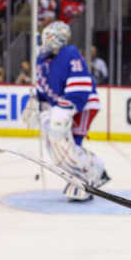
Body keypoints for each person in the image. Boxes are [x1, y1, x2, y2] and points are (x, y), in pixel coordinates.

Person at [22, 21, 110, 201]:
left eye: (46, 36)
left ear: (54, 38)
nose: (42, 40)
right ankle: (83, 176)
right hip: (63, 107)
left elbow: (81, 87)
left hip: (83, 106)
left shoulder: (70, 54)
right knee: (59, 150)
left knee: (72, 145)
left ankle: (93, 174)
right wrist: (36, 99)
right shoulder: (42, 59)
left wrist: (64, 109)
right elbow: (45, 87)